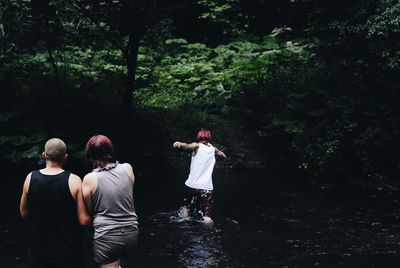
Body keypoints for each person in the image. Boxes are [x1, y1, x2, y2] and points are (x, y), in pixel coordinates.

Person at [19, 138, 91, 268]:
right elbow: (84, 220)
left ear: (44, 155)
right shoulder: (74, 181)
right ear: (65, 157)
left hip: (38, 253)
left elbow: (24, 212)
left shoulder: (30, 178)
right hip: (68, 255)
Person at [82, 135, 139, 268]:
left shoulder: (90, 178)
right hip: (131, 232)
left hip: (107, 235)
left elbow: (91, 209)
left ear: (90, 154)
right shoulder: (127, 168)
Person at [173, 129, 226, 224]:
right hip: (206, 188)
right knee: (207, 216)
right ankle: (209, 233)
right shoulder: (213, 149)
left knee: (186, 211)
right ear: (209, 137)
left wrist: (180, 143)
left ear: (199, 137)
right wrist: (223, 155)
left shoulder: (196, 146)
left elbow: (187, 146)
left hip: (191, 186)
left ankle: (183, 226)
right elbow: (222, 154)